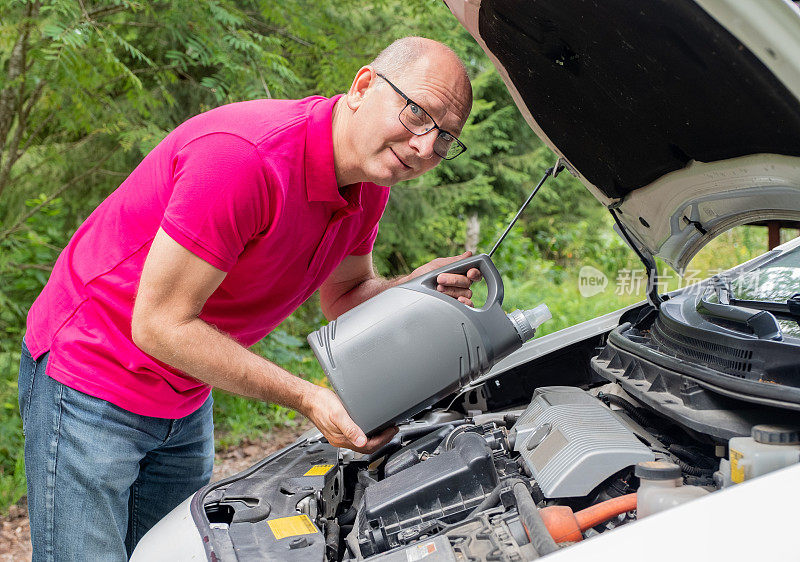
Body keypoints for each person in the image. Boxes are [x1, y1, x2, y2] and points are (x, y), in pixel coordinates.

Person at [18, 36, 476, 560]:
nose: (425, 147)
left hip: (185, 392)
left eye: (445, 137)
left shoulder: (368, 186)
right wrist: (307, 397)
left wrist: (414, 288)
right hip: (92, 374)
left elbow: (345, 296)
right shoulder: (245, 159)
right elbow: (159, 324)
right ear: (363, 86)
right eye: (418, 113)